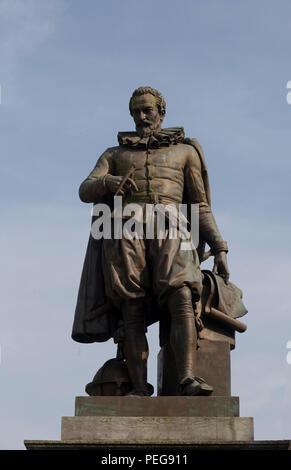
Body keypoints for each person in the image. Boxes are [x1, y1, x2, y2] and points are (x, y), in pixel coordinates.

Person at [73, 86, 229, 396]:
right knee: (131, 307)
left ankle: (186, 378)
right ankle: (139, 388)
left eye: (147, 110)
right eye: (136, 111)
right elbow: (85, 189)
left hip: (172, 227)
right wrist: (108, 182)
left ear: (161, 112)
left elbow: (199, 206)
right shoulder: (114, 155)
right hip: (125, 229)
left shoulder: (186, 151)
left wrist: (220, 248)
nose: (141, 116)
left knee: (183, 295)